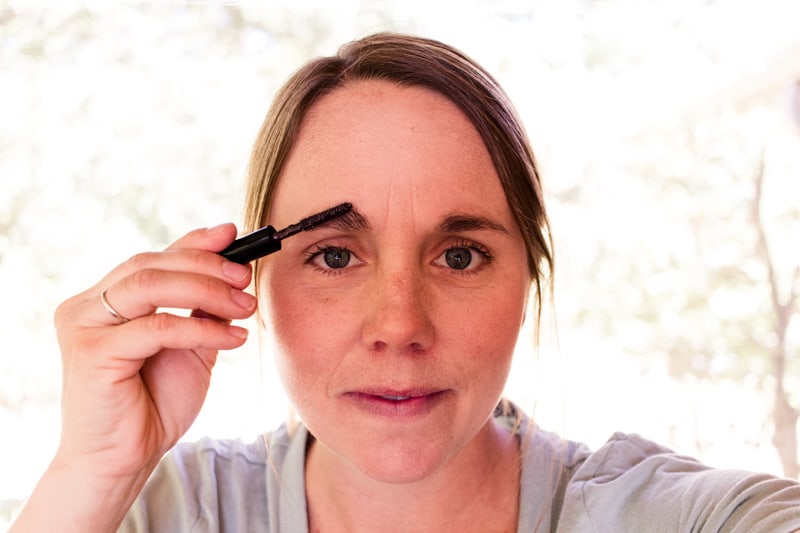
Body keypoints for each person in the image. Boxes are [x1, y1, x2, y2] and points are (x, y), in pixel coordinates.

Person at [10, 32, 800, 533]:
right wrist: (91, 473)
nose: (398, 323)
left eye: (458, 255)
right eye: (334, 255)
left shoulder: (682, 519)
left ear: (530, 274)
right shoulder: (161, 512)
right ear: (245, 274)